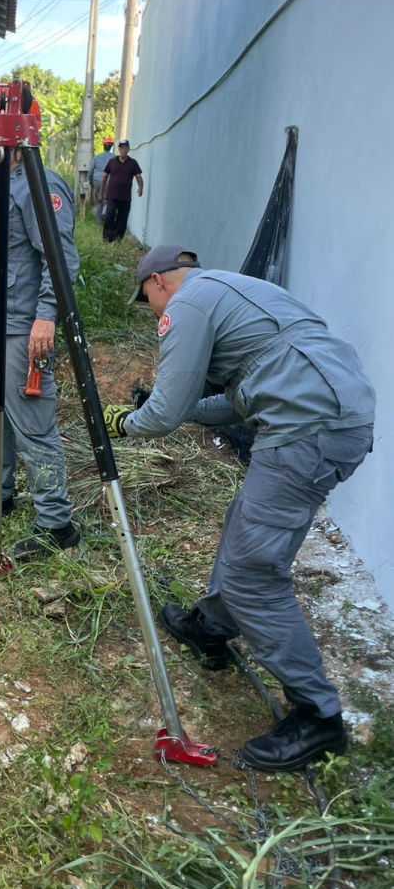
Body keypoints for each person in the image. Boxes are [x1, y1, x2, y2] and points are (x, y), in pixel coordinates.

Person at [100, 244, 376, 772]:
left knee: (254, 572)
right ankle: (211, 626)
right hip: (331, 414)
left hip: (307, 428)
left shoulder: (186, 305)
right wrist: (181, 413)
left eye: (148, 301)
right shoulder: (238, 290)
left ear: (158, 282)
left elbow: (164, 411)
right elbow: (238, 396)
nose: (155, 312)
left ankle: (318, 717)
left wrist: (127, 422)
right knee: (244, 525)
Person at [0, 150, 80, 563]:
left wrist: (47, 316)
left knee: (33, 424)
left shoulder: (42, 185)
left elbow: (59, 259)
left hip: (23, 329)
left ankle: (55, 522)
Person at [98, 139, 143, 243]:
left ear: (128, 149)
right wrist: (100, 193)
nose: (123, 150)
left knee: (122, 218)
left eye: (125, 148)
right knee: (110, 215)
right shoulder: (112, 162)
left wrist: (141, 187)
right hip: (112, 195)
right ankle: (107, 238)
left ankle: (117, 239)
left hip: (125, 197)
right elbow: (104, 177)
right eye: (121, 148)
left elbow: (138, 176)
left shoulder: (133, 163)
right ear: (118, 149)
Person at [87, 136, 114, 220]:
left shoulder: (97, 157)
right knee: (107, 199)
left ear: (103, 145)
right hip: (109, 181)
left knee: (99, 200)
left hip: (97, 181)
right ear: (111, 146)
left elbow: (90, 171)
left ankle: (98, 220)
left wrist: (91, 182)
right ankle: (104, 215)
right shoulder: (115, 158)